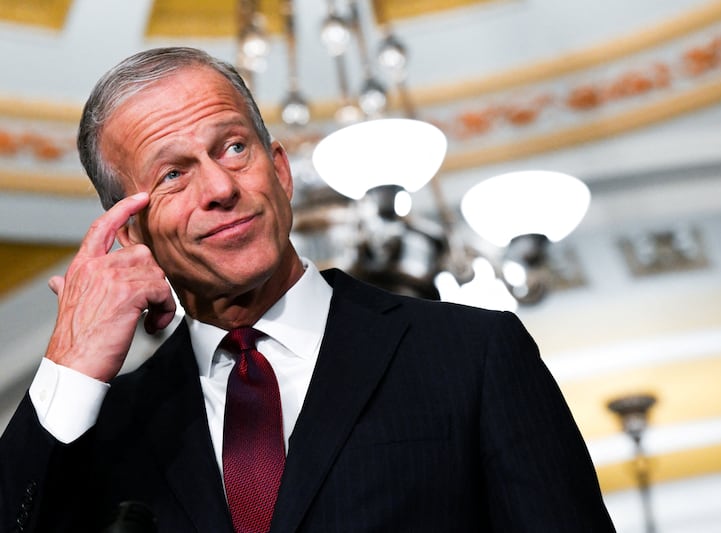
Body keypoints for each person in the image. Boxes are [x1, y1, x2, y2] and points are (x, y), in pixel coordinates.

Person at [0, 47, 615, 532]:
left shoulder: (472, 355)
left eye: (234, 147)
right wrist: (70, 367)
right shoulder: (104, 430)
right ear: (132, 233)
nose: (219, 186)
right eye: (173, 174)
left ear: (282, 171)